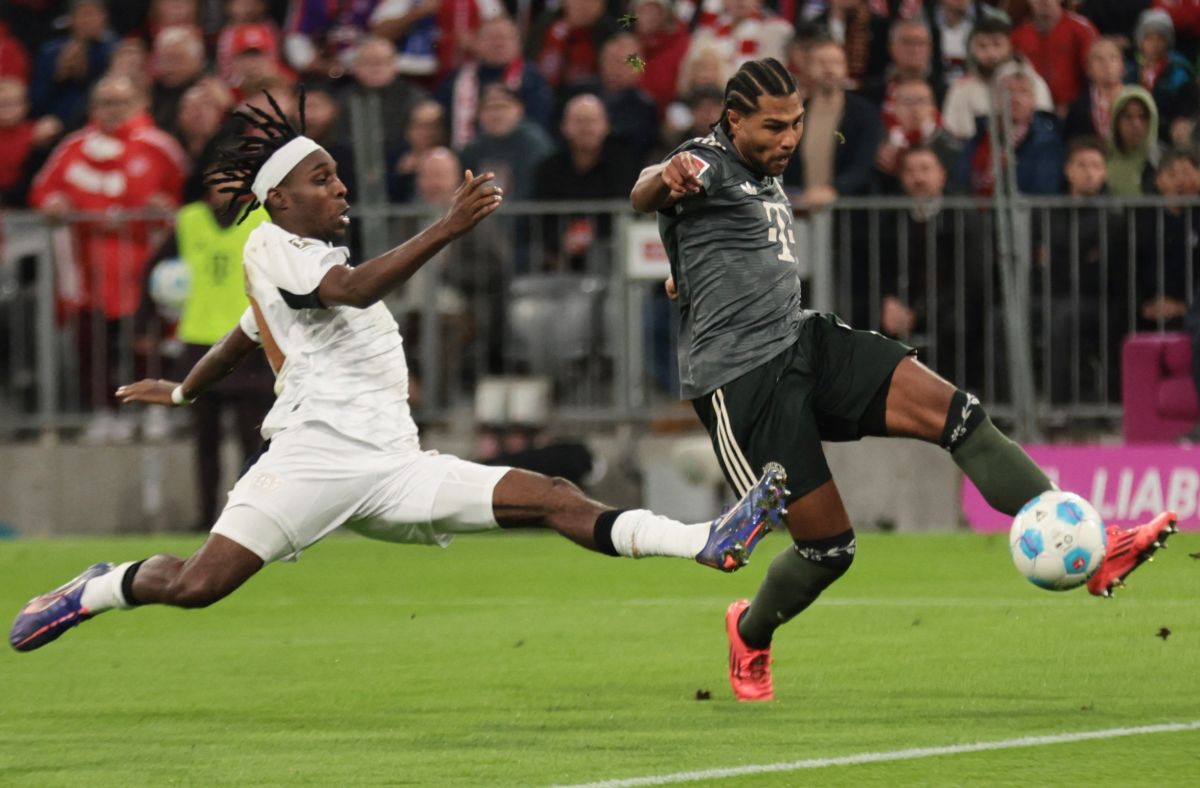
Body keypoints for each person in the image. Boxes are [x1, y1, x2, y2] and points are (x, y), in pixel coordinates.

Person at [10, 89, 788, 655]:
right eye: (322, 180)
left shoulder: (305, 262)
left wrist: (184, 388)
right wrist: (445, 227)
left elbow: (246, 334)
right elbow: (347, 291)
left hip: (392, 465)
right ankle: (96, 589)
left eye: (339, 177)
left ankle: (706, 540)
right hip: (312, 459)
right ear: (276, 198)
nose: (340, 187)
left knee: (548, 497)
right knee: (195, 588)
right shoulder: (271, 246)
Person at [629, 57, 1176, 701]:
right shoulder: (706, 162)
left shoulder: (764, 168)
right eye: (773, 127)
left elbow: (717, 254)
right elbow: (644, 191)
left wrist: (689, 278)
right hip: (744, 380)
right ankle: (750, 630)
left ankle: (1098, 543)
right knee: (828, 551)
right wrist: (667, 175)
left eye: (798, 124)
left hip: (807, 340)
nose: (789, 139)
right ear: (733, 120)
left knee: (960, 413)